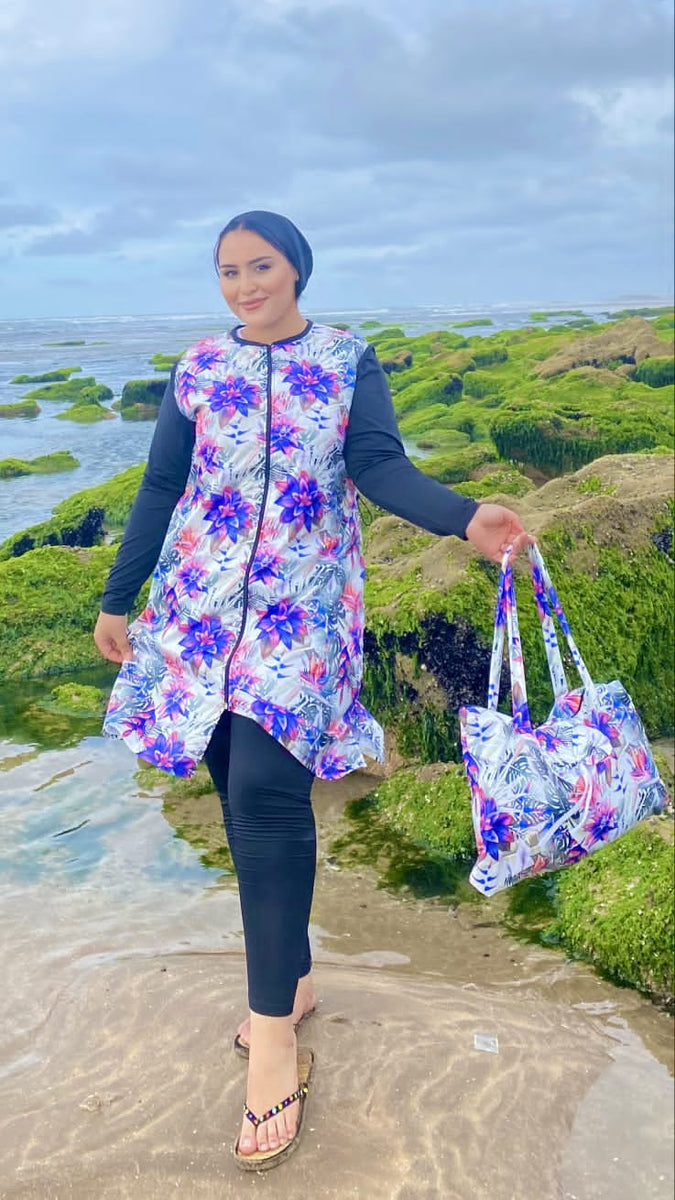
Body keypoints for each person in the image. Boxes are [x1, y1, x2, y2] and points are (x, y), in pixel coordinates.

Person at [94, 210, 532, 1171]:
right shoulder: (199, 367)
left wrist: (464, 518)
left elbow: (375, 465)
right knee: (231, 784)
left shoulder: (343, 358)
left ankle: (272, 1046)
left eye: (260, 267)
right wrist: (118, 597)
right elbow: (162, 485)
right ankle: (289, 983)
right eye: (228, 272)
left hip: (302, 612)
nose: (245, 285)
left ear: (295, 269)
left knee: (264, 796)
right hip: (199, 607)